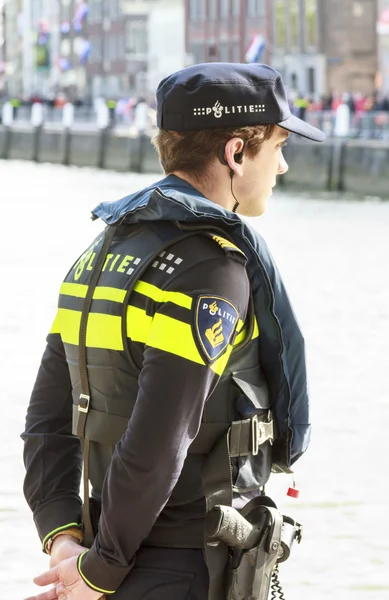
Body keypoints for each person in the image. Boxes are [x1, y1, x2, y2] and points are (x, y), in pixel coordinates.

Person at [22, 62, 325, 600]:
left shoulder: (101, 253)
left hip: (105, 554)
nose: (281, 166)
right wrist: (100, 570)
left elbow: (47, 421)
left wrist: (65, 541)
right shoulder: (212, 269)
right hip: (185, 569)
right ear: (236, 153)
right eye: (278, 146)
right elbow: (160, 440)